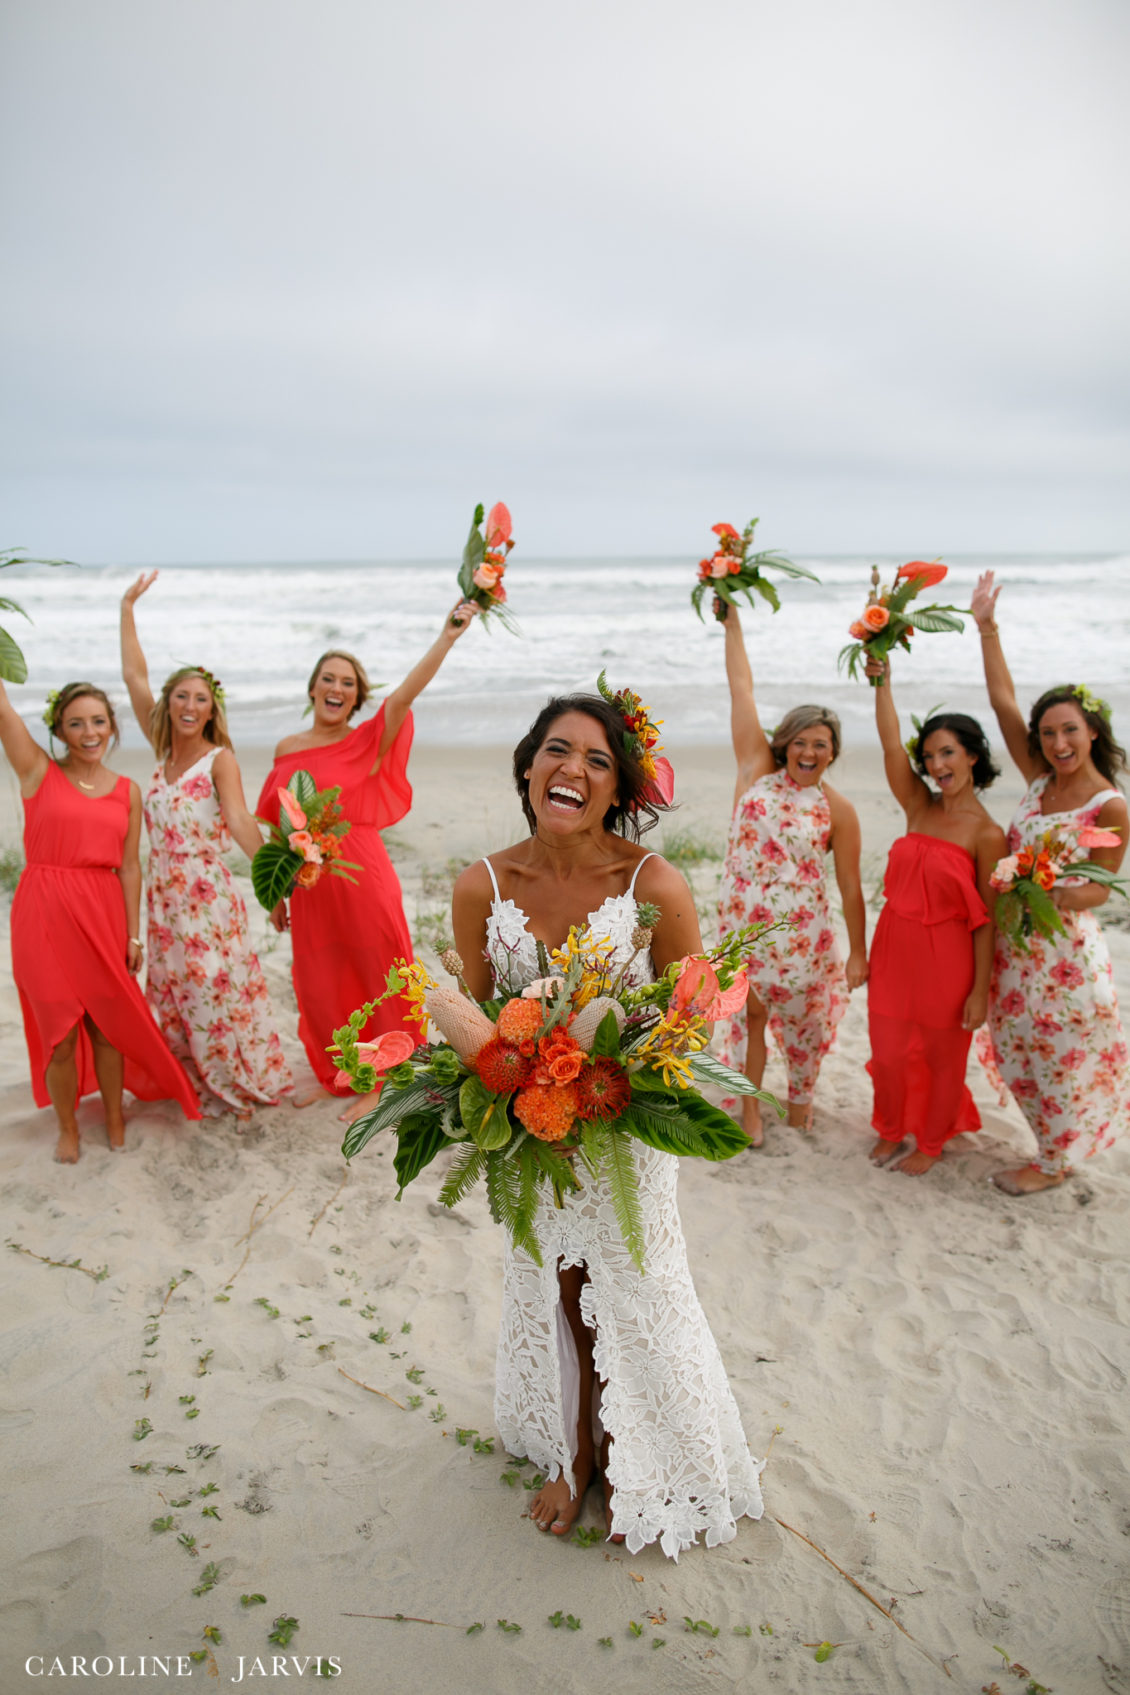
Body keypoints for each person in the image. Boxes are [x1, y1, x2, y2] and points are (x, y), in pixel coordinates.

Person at [451, 689, 764, 1558]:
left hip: (622, 1129)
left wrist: (609, 1065)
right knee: (554, 1283)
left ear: (619, 786)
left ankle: (637, 1441)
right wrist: (508, 1089)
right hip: (531, 1128)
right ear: (528, 766)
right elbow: (470, 1024)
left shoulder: (652, 883)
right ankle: (577, 1446)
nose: (574, 769)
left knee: (630, 1281)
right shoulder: (481, 886)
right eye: (558, 749)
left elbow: (693, 1018)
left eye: (598, 760)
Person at [257, 602, 475, 1118]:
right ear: (313, 688)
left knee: (378, 971)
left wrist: (447, 636)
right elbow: (278, 824)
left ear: (356, 698)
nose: (337, 688)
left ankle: (387, 1078)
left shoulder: (365, 741)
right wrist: (276, 892)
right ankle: (340, 1074)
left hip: (363, 873)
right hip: (309, 882)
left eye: (348, 683)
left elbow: (405, 695)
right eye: (329, 679)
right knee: (320, 979)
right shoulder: (287, 747)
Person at [973, 571, 1129, 1194]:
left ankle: (1053, 1163)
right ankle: (1047, 1149)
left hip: (1064, 952)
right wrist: (987, 627)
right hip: (1015, 948)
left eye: (1070, 730)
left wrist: (1049, 891)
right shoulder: (1039, 781)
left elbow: (1102, 890)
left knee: (1061, 1058)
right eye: (1048, 733)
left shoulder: (1109, 806)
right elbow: (1002, 701)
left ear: (1093, 731)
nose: (1059, 742)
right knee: (1017, 1051)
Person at [2, 677, 201, 1161]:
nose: (89, 733)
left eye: (98, 721)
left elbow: (130, 867)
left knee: (106, 1027)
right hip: (43, 913)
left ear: (112, 726)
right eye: (76, 724)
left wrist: (133, 935)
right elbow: (3, 710)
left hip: (102, 912)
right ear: (59, 731)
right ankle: (68, 1128)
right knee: (60, 1036)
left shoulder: (127, 791)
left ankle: (114, 1116)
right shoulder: (36, 771)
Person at [120, 573, 291, 1121]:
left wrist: (274, 888)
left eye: (201, 699)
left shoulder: (219, 759)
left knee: (213, 988)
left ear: (212, 710)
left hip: (205, 895)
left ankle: (234, 1080)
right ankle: (191, 1078)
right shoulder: (162, 753)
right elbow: (134, 676)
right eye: (181, 696)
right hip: (163, 899)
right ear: (168, 704)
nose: (190, 705)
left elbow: (240, 822)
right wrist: (127, 606)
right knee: (174, 990)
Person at [715, 599, 868, 1144]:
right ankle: (752, 1112)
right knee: (749, 1019)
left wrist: (858, 951)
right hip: (745, 931)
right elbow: (742, 690)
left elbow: (849, 886)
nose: (808, 751)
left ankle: (800, 1106)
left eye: (819, 745)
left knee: (806, 1028)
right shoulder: (756, 770)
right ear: (784, 744)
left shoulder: (838, 809)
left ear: (832, 753)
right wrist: (733, 623)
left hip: (805, 939)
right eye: (799, 742)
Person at [865, 654, 1006, 1175]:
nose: (936, 765)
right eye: (928, 756)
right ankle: (890, 1128)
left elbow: (987, 920)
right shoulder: (918, 805)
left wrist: (979, 991)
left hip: (948, 959)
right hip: (893, 946)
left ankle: (929, 1142)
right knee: (889, 1052)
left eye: (947, 752)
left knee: (942, 1057)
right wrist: (883, 682)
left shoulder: (988, 834)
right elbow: (889, 745)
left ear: (972, 756)